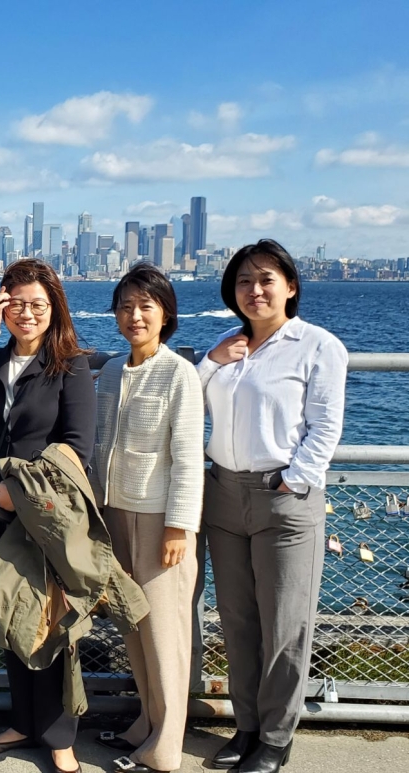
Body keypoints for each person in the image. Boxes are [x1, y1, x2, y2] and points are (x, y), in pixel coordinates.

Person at [199, 240, 347, 773]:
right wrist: (212, 362)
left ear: (290, 286)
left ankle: (278, 737)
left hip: (284, 497)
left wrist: (296, 480)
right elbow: (190, 403)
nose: (254, 290)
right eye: (243, 281)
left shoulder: (317, 346)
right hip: (223, 492)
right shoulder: (226, 344)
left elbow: (326, 424)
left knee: (286, 624)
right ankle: (247, 727)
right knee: (237, 621)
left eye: (265, 279)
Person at [0, 258, 96, 773]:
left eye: (38, 304)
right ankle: (24, 720)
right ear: (4, 303)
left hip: (45, 514)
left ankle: (59, 736)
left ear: (55, 307)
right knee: (12, 617)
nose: (27, 314)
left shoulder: (71, 365)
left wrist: (19, 489)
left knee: (52, 623)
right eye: (18, 304)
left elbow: (78, 447)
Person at [92, 264, 204, 773]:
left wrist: (181, 525)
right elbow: (98, 446)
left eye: (146, 306)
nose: (135, 315)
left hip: (160, 520)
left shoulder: (179, 372)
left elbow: (187, 456)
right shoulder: (114, 369)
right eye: (126, 306)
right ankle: (149, 721)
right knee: (133, 626)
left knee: (165, 634)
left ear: (166, 314)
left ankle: (167, 747)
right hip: (115, 513)